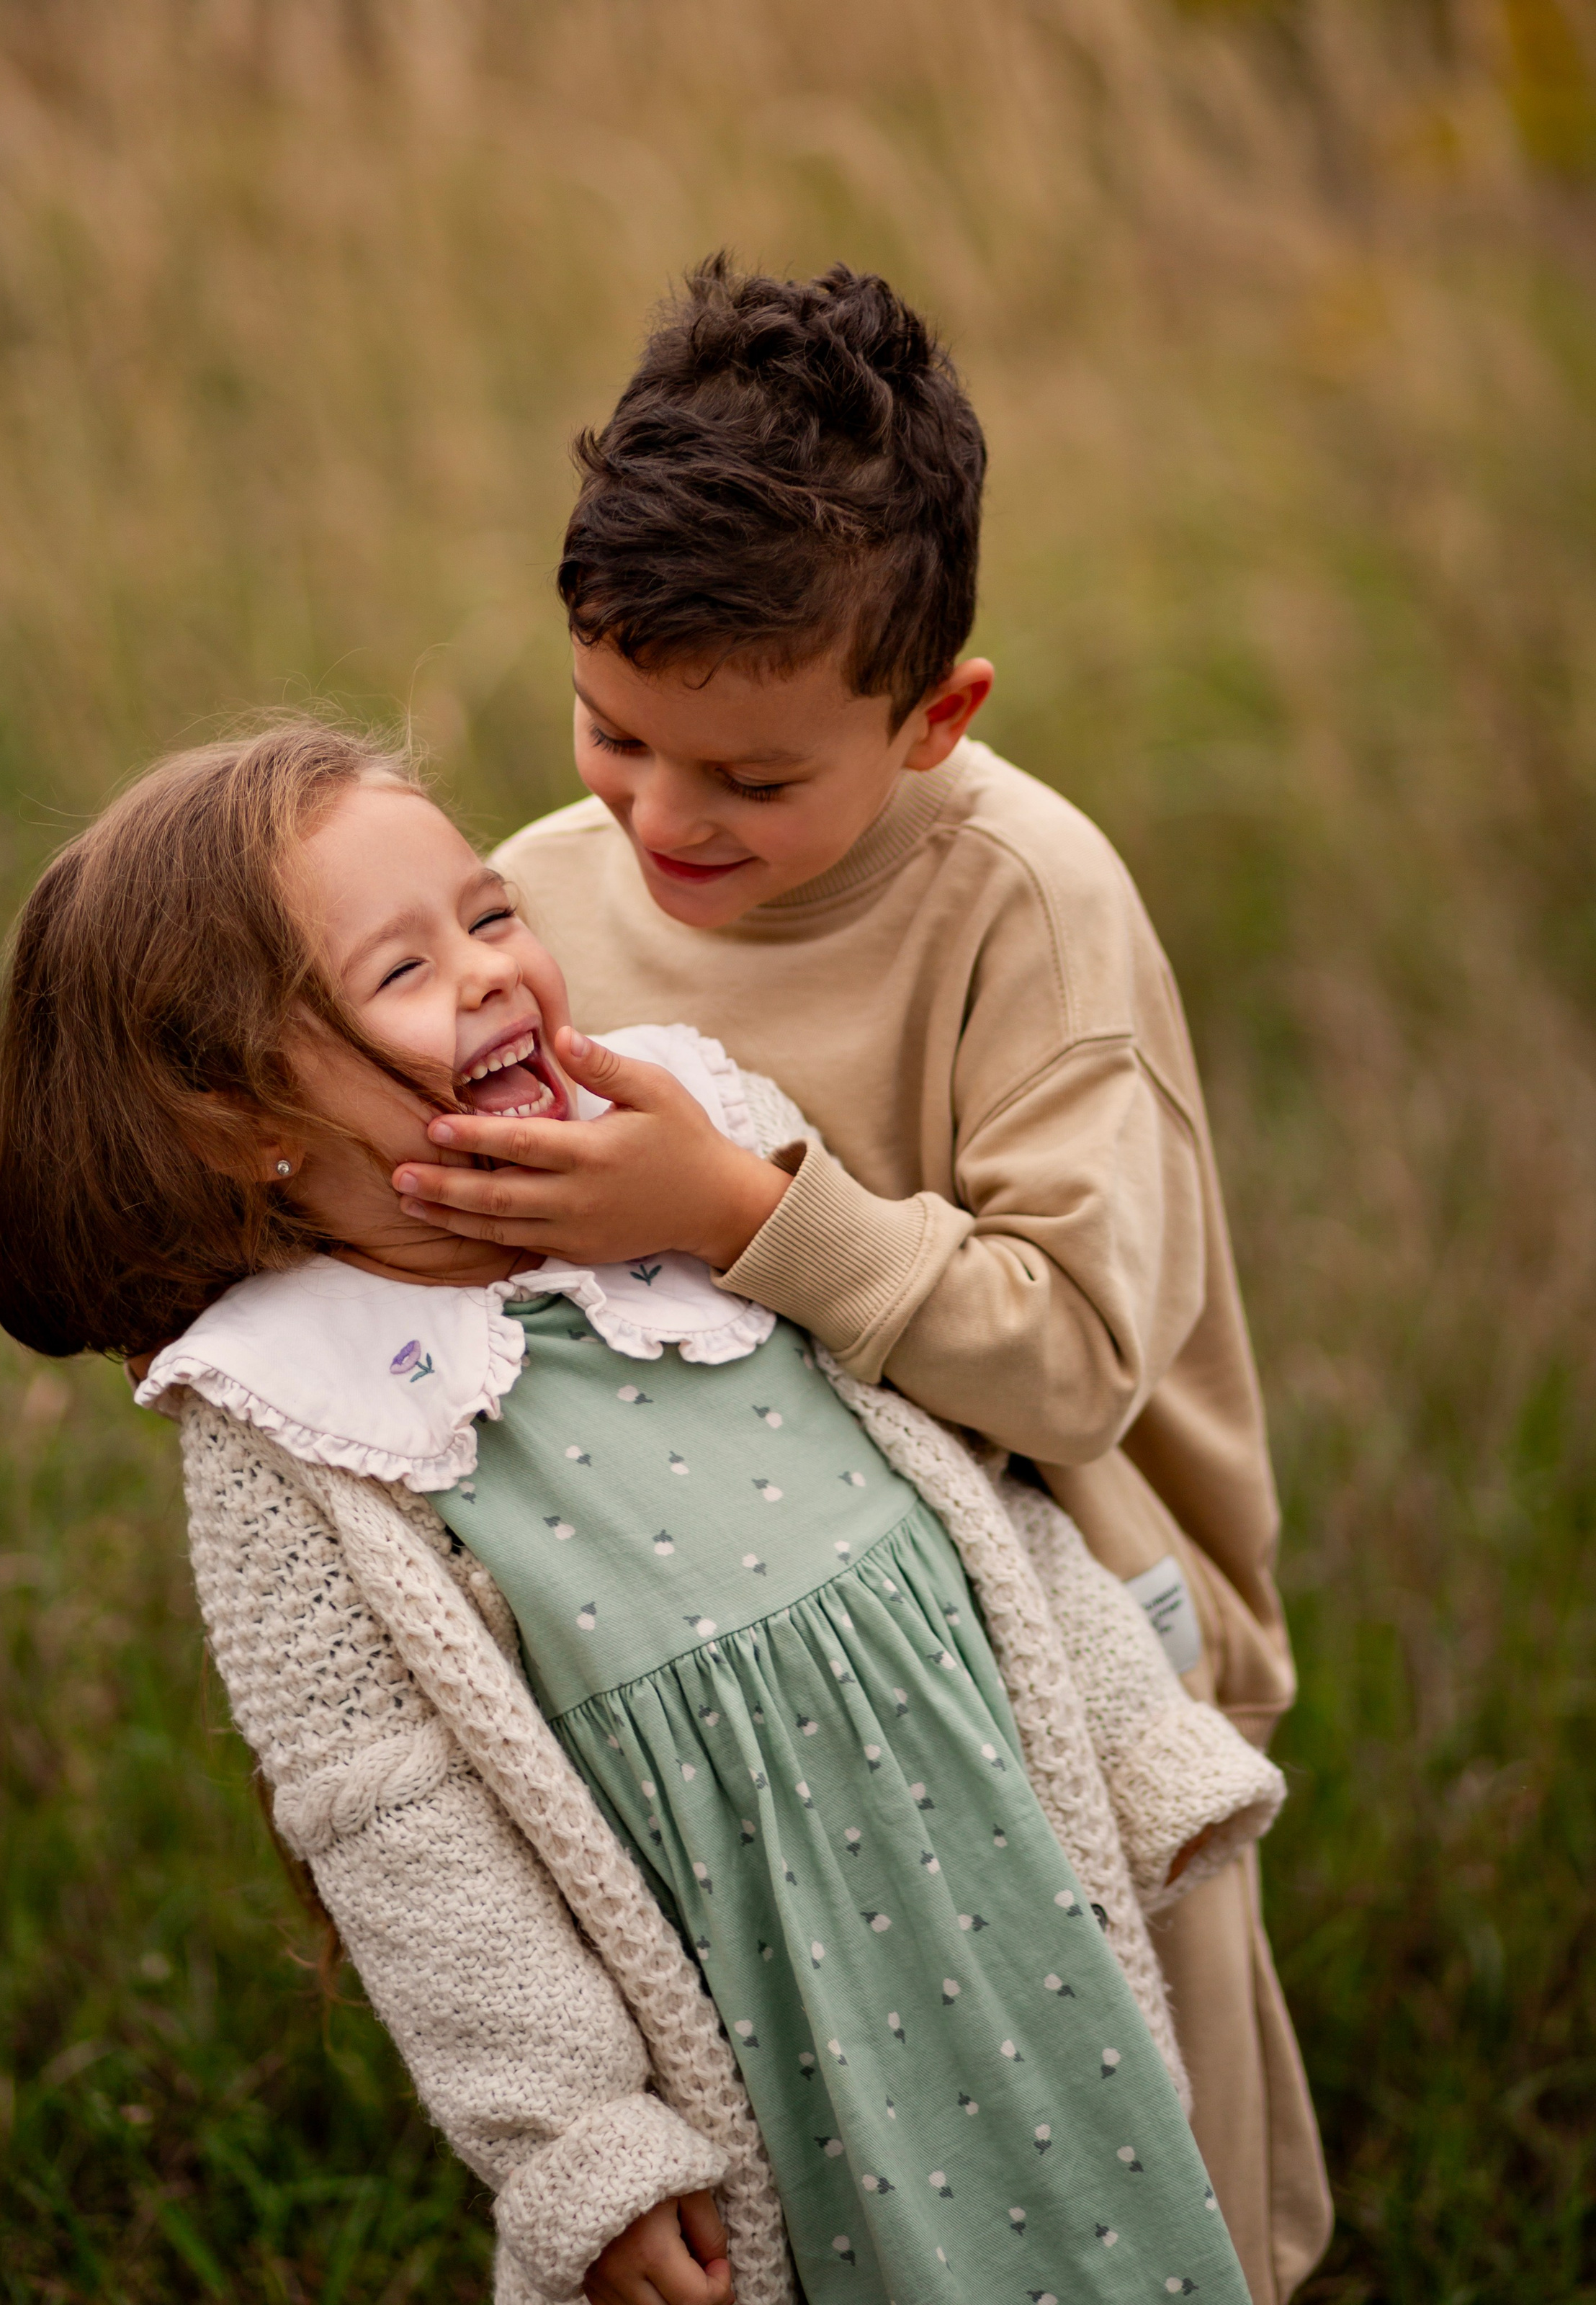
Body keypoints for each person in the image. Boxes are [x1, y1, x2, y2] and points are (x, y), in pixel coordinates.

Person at [0, 721, 1284, 2305]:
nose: (490, 971)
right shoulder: (293, 1420)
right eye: (403, 970)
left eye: (491, 913)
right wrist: (580, 2146)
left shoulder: (679, 1161)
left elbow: (945, 1489)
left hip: (995, 1881)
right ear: (245, 1122)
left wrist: (1128, 1734)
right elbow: (405, 1836)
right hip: (749, 1989)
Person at [390, 258, 1334, 2304]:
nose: (663, 815)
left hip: (1069, 1648)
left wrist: (738, 1209)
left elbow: (1074, 1363)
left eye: (752, 779)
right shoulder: (534, 896)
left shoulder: (1025, 909)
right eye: (613, 731)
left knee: (1132, 2161)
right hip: (725, 1674)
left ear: (933, 718)